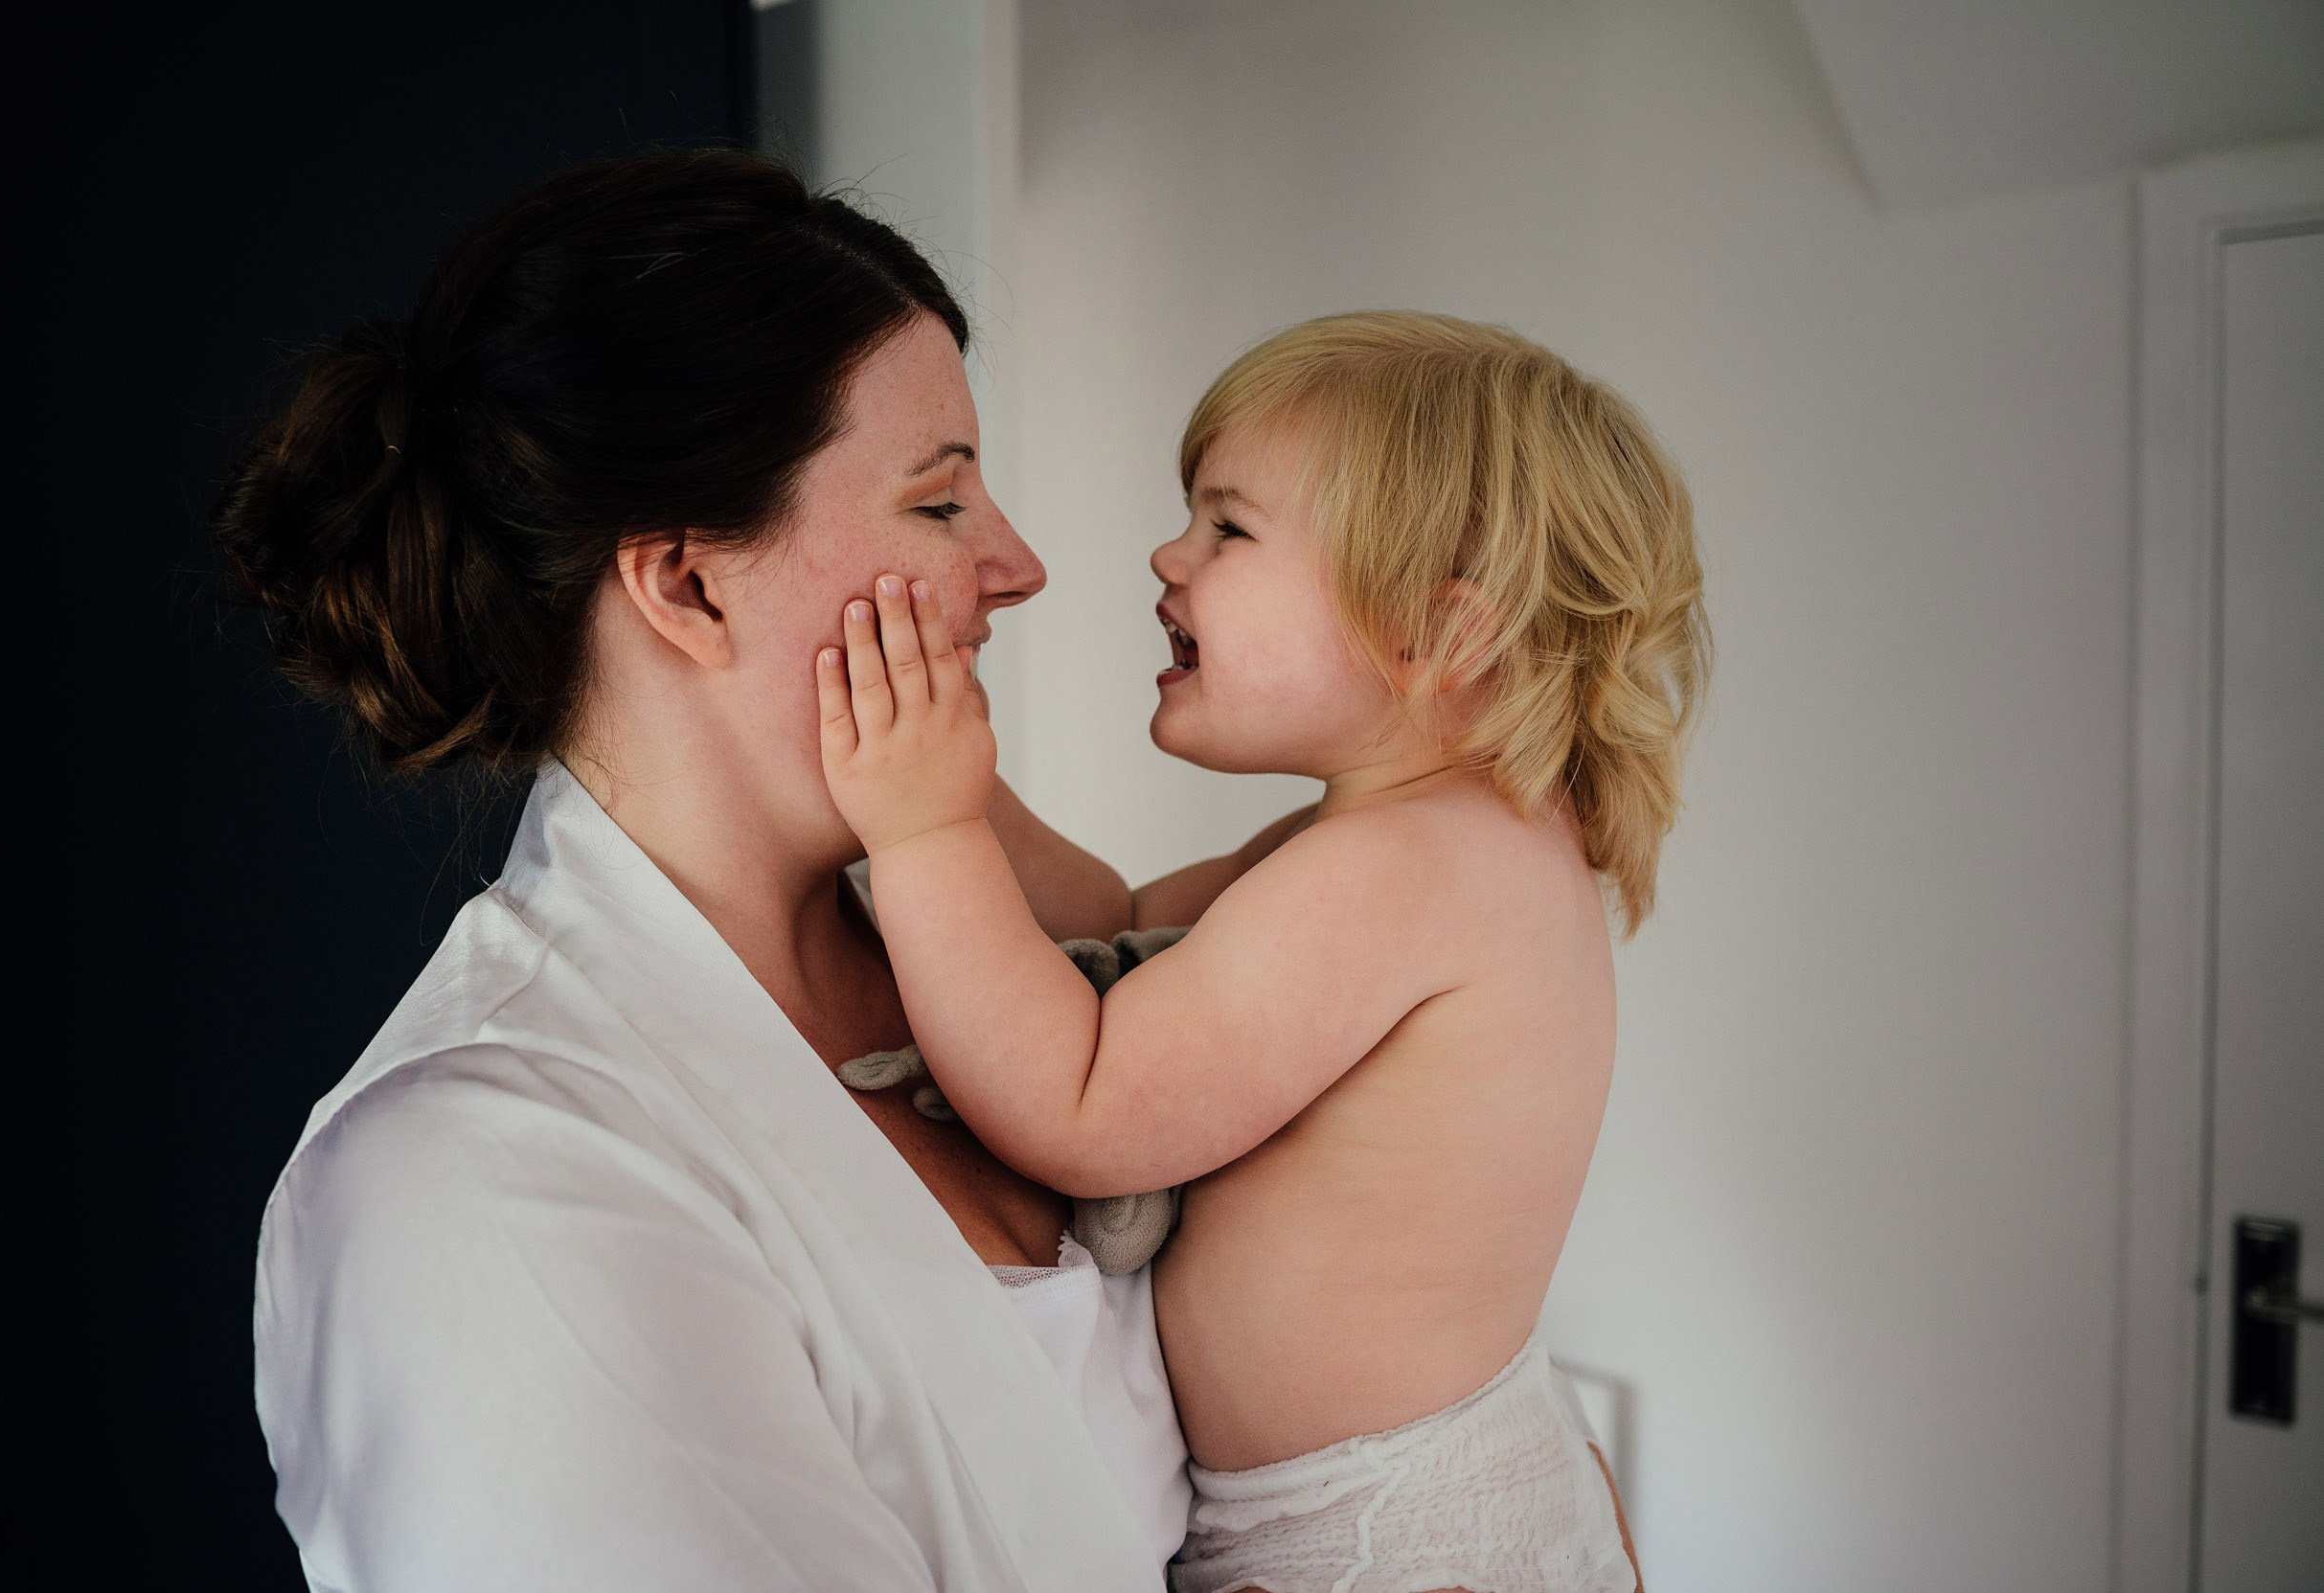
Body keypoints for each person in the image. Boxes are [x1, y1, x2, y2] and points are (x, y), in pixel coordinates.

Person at [216, 147, 1304, 1591]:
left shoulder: (989, 939)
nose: (1019, 564)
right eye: (938, 503)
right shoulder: (477, 1183)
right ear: (686, 580)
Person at [814, 311, 1702, 1591]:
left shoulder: (1406, 870)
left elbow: (1083, 1102)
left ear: (1435, 634)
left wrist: (923, 831)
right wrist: (956, 774)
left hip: (1389, 1553)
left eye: (1229, 529)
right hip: (1391, 1508)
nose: (1169, 554)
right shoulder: (1423, 839)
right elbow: (1114, 915)